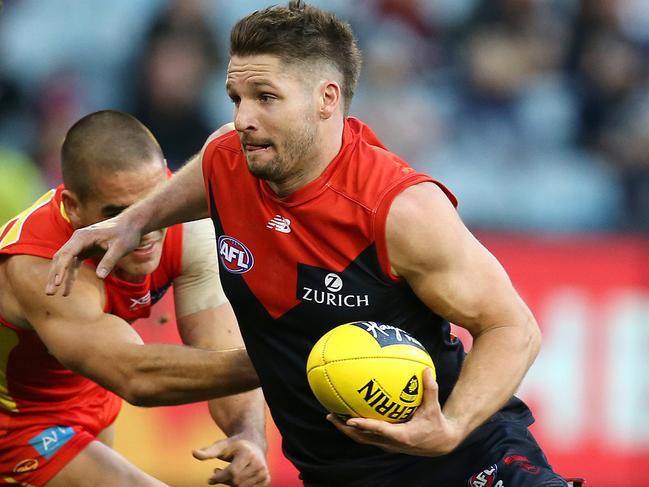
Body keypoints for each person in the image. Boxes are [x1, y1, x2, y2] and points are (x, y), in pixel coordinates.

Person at [47, 3, 568, 486]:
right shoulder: (228, 158)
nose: (243, 118)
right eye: (237, 98)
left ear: (326, 99)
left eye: (266, 98)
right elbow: (203, 174)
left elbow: (512, 327)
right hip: (336, 474)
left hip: (463, 462)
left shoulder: (399, 209)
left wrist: (450, 428)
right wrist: (130, 221)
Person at [0, 110, 270, 487]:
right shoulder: (43, 263)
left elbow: (219, 346)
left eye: (150, 204)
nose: (139, 229)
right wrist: (285, 359)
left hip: (89, 397)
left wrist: (249, 435)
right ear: (74, 208)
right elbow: (136, 376)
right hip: (15, 421)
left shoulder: (186, 221)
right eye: (117, 213)